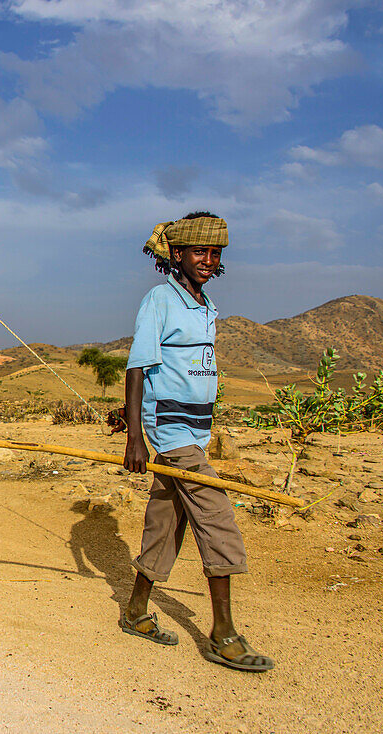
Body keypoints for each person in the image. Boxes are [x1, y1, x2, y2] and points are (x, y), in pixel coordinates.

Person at [119, 211, 274, 672]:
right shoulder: (159, 300)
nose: (209, 260)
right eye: (200, 252)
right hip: (170, 433)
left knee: (166, 522)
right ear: (177, 254)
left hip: (196, 432)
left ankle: (135, 612)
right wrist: (135, 438)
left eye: (216, 253)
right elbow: (137, 367)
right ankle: (223, 633)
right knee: (217, 514)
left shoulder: (203, 303)